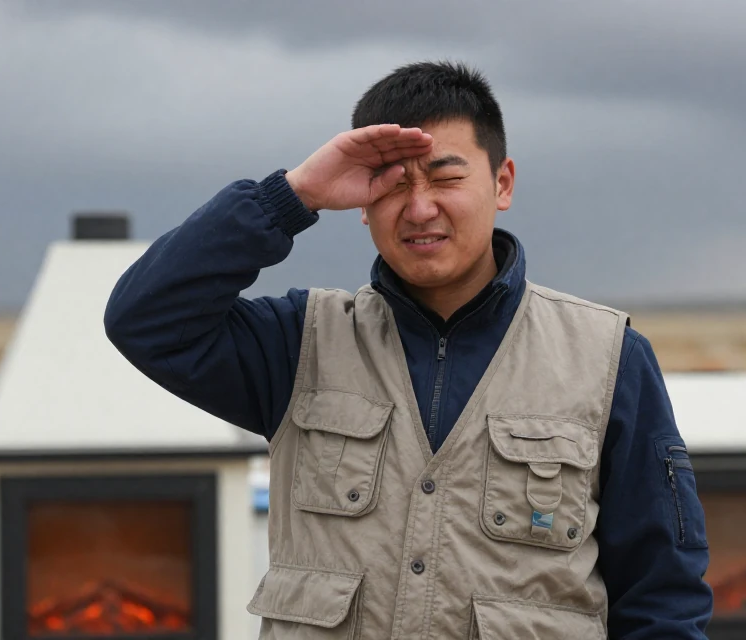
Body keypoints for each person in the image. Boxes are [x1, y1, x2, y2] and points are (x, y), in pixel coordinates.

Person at [104, 61, 713, 639]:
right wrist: (292, 196)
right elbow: (146, 319)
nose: (421, 208)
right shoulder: (298, 343)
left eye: (447, 177)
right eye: (393, 186)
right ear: (362, 206)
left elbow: (664, 594)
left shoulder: (608, 358)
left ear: (502, 183)